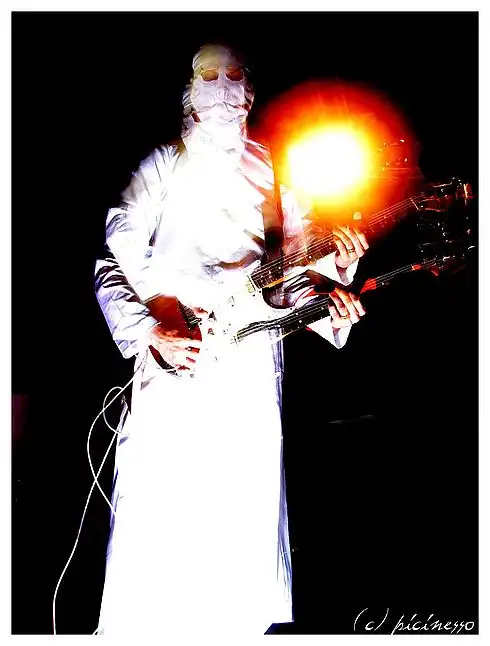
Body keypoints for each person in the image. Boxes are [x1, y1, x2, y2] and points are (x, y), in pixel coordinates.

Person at [94, 43, 368, 637]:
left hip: (248, 373)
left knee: (241, 516)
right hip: (178, 364)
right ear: (189, 91)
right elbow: (111, 262)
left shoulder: (275, 172)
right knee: (163, 515)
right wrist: (152, 331)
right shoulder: (162, 165)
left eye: (234, 74)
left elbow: (292, 278)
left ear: (251, 89)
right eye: (208, 75)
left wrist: (333, 287)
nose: (222, 86)